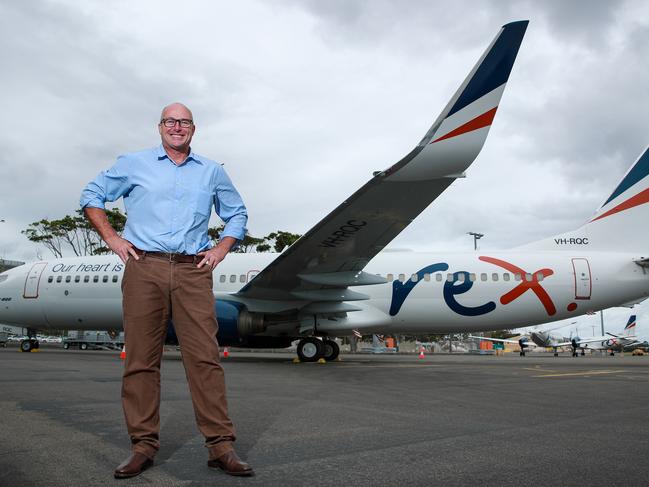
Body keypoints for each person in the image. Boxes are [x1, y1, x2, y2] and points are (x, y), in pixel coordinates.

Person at [80, 102, 253, 478]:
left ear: (194, 128)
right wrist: (112, 238)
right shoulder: (133, 163)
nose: (177, 127)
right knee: (141, 359)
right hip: (145, 267)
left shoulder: (211, 171)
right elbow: (91, 196)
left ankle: (220, 446)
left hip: (193, 271)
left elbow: (236, 212)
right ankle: (142, 446)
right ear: (160, 126)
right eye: (170, 121)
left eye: (184, 122)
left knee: (205, 359)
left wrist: (221, 248)